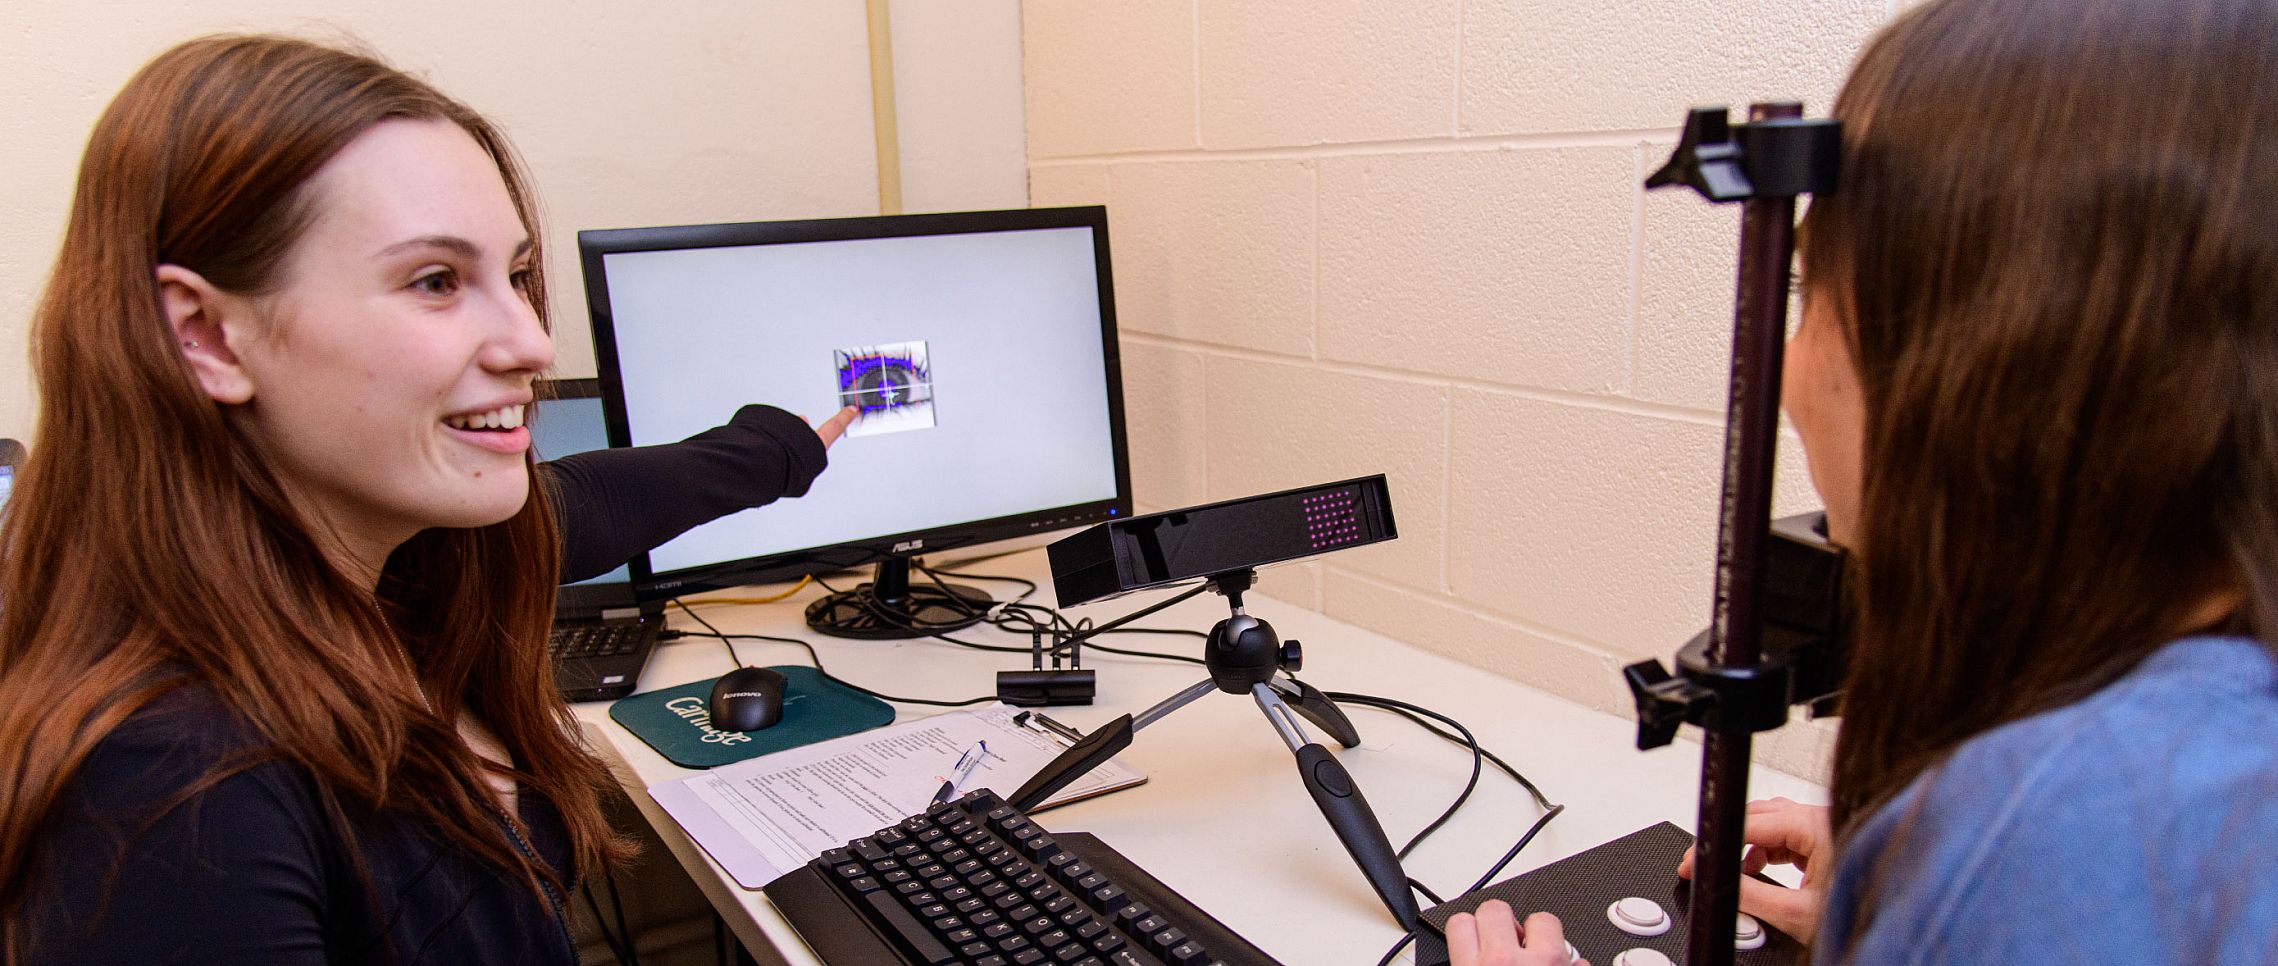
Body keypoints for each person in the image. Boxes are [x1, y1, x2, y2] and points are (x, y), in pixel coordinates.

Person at [1448, 0, 2278, 962]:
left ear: (1982, 353)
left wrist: (1968, 889)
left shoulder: (2054, 838)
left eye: (1808, 292)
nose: (1789, 372)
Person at [0, 34, 838, 964]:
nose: (529, 343)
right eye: (435, 281)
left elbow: (588, 504)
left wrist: (783, 448)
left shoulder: (399, 566)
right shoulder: (170, 789)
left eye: (515, 276)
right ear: (206, 336)